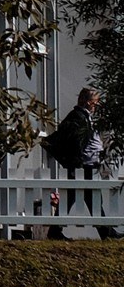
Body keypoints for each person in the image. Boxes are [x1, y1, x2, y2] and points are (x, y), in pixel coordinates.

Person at [44, 85, 104, 214]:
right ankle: (106, 231)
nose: (96, 105)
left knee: (79, 197)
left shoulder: (84, 116)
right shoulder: (78, 116)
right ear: (89, 102)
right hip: (84, 164)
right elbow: (75, 139)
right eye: (95, 101)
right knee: (90, 197)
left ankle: (55, 230)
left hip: (87, 163)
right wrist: (77, 160)